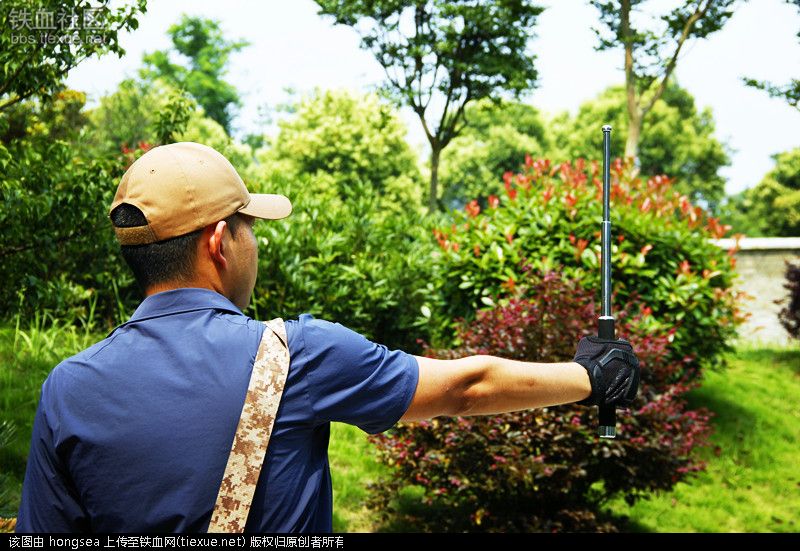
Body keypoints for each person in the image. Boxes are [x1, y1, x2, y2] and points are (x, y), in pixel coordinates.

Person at [15, 142, 640, 533]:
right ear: (217, 242)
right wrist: (594, 377)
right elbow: (466, 389)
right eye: (247, 227)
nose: (252, 243)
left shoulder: (68, 386)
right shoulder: (293, 356)